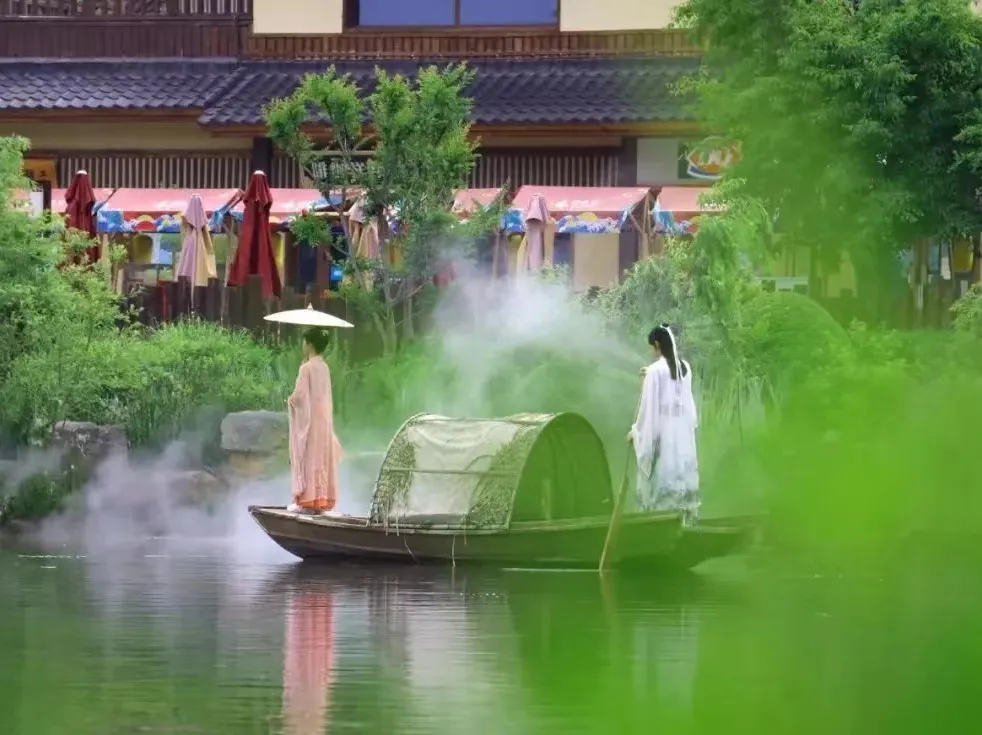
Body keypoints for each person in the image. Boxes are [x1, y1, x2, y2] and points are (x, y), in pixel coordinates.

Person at [628, 323, 700, 524]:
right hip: (683, 436)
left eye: (651, 347)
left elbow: (649, 410)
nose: (650, 351)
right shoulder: (685, 368)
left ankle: (659, 524)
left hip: (664, 438)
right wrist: (648, 377)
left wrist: (636, 432)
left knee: (661, 476)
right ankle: (686, 521)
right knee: (681, 475)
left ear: (658, 344)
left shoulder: (655, 371)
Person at [287, 327, 343, 515]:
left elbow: (300, 397)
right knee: (320, 458)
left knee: (309, 457)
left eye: (305, 341)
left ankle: (305, 501)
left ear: (309, 344)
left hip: (311, 423)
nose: (303, 345)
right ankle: (321, 501)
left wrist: (290, 400)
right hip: (324, 421)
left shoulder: (306, 368)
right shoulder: (324, 367)